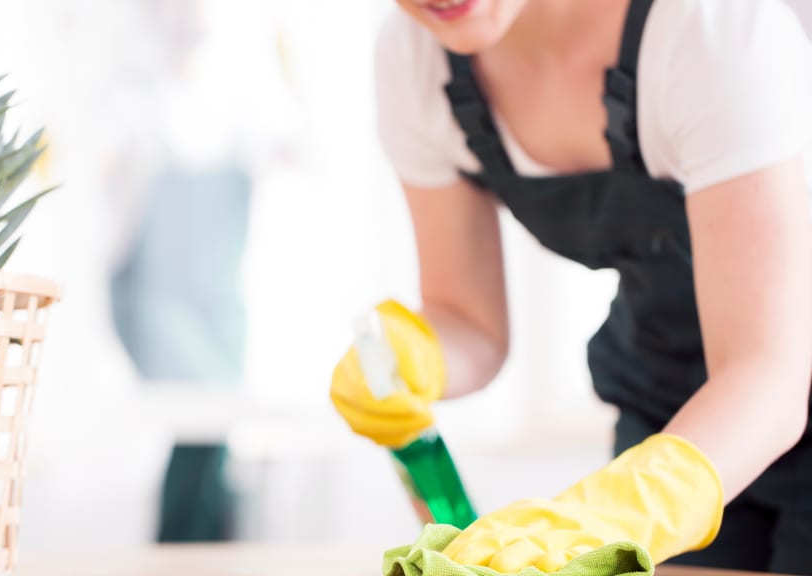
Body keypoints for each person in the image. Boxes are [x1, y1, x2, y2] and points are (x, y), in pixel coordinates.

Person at [331, 0, 812, 573]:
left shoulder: (711, 25)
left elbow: (769, 376)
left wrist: (618, 514)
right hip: (672, 412)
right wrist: (416, 357)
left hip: (763, 398)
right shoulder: (417, 57)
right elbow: (470, 318)